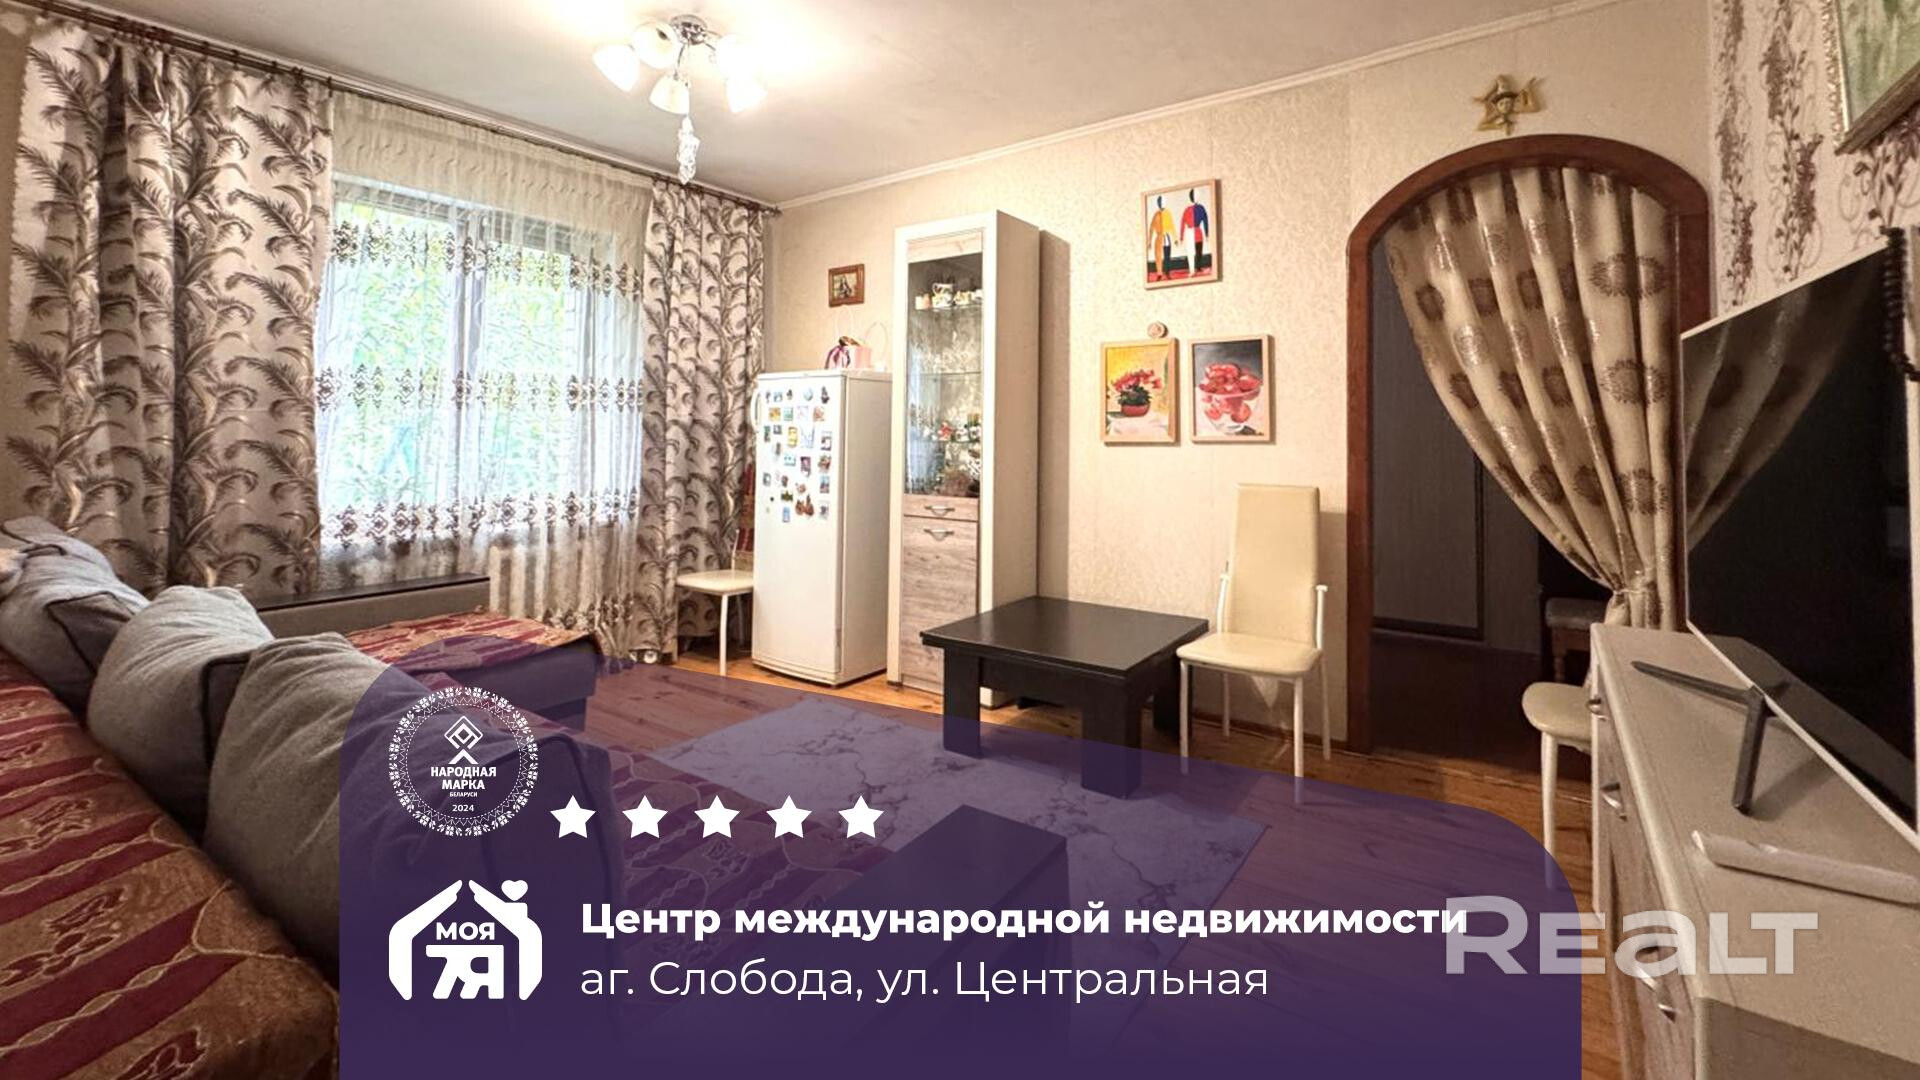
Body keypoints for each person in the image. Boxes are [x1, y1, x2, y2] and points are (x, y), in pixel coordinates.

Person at [1178, 187, 1211, 277]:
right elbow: (1183, 223)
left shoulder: (1198, 208)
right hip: (1192, 232)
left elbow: (1205, 221)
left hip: (1196, 232)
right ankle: (1193, 269)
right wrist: (1181, 237)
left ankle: (1197, 268)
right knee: (1194, 251)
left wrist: (1207, 233)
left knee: (1198, 250)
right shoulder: (1193, 209)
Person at [1146, 195, 1176, 280]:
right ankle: (1159, 273)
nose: (1161, 204)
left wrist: (1175, 238)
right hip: (1159, 238)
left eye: (1162, 202)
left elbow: (1172, 226)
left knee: (1167, 256)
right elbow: (1151, 228)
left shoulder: (1168, 213)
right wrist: (1149, 241)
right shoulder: (1156, 215)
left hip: (1166, 238)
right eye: (1160, 202)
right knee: (1158, 256)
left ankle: (1167, 272)